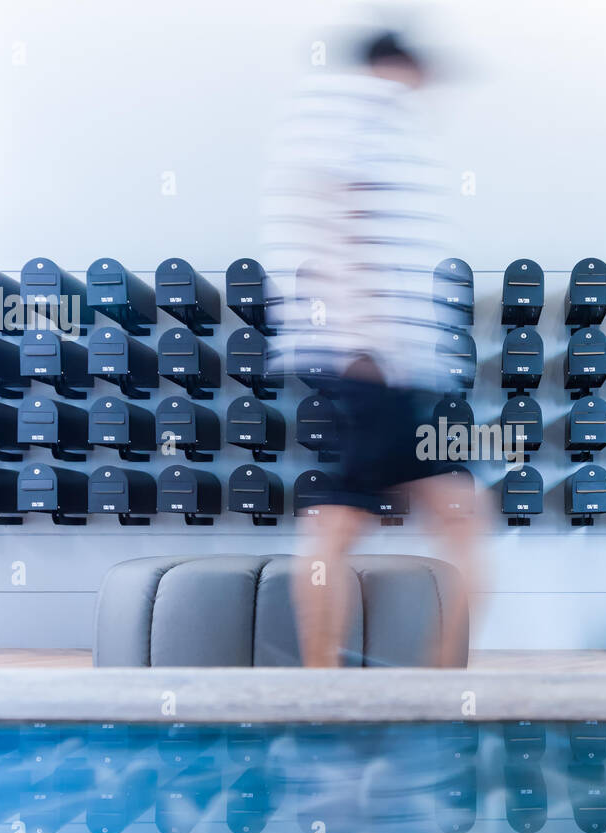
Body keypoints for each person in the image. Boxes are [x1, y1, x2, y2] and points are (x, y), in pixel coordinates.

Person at [261, 30, 481, 668]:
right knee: (338, 521)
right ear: (399, 67)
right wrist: (364, 342)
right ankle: (330, 682)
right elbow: (335, 219)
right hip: (373, 362)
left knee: (454, 516)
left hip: (392, 367)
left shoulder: (367, 118)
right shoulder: (357, 111)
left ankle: (430, 680)